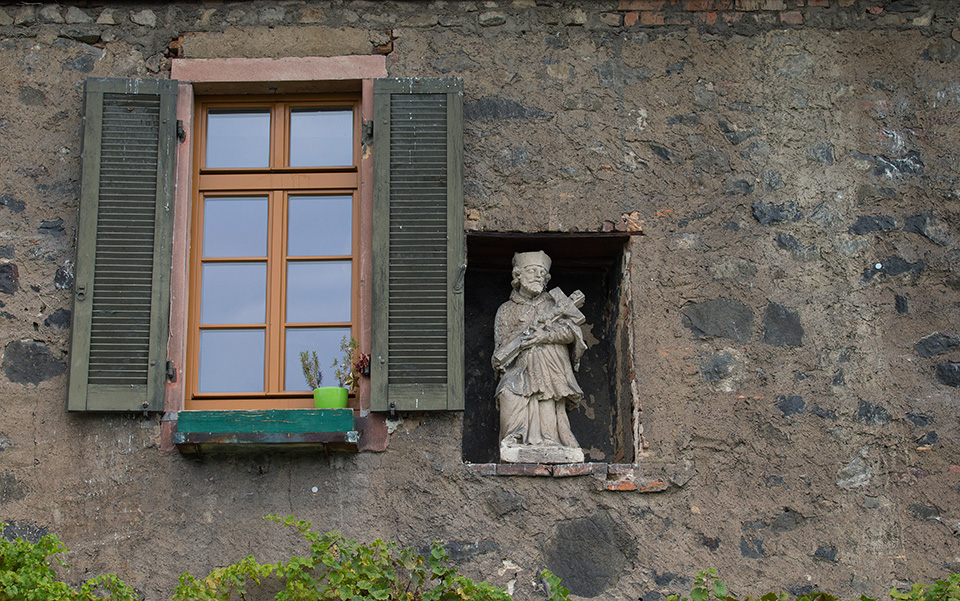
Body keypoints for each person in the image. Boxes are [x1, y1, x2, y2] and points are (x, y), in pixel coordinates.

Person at [492, 250, 587, 463]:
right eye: (532, 271)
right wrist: (514, 346)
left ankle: (550, 442)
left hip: (550, 365)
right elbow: (499, 346)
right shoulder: (506, 310)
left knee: (546, 395)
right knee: (507, 393)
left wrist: (544, 336)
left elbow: (571, 333)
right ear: (518, 275)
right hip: (519, 367)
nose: (538, 276)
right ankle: (515, 438)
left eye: (542, 273)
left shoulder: (554, 304)